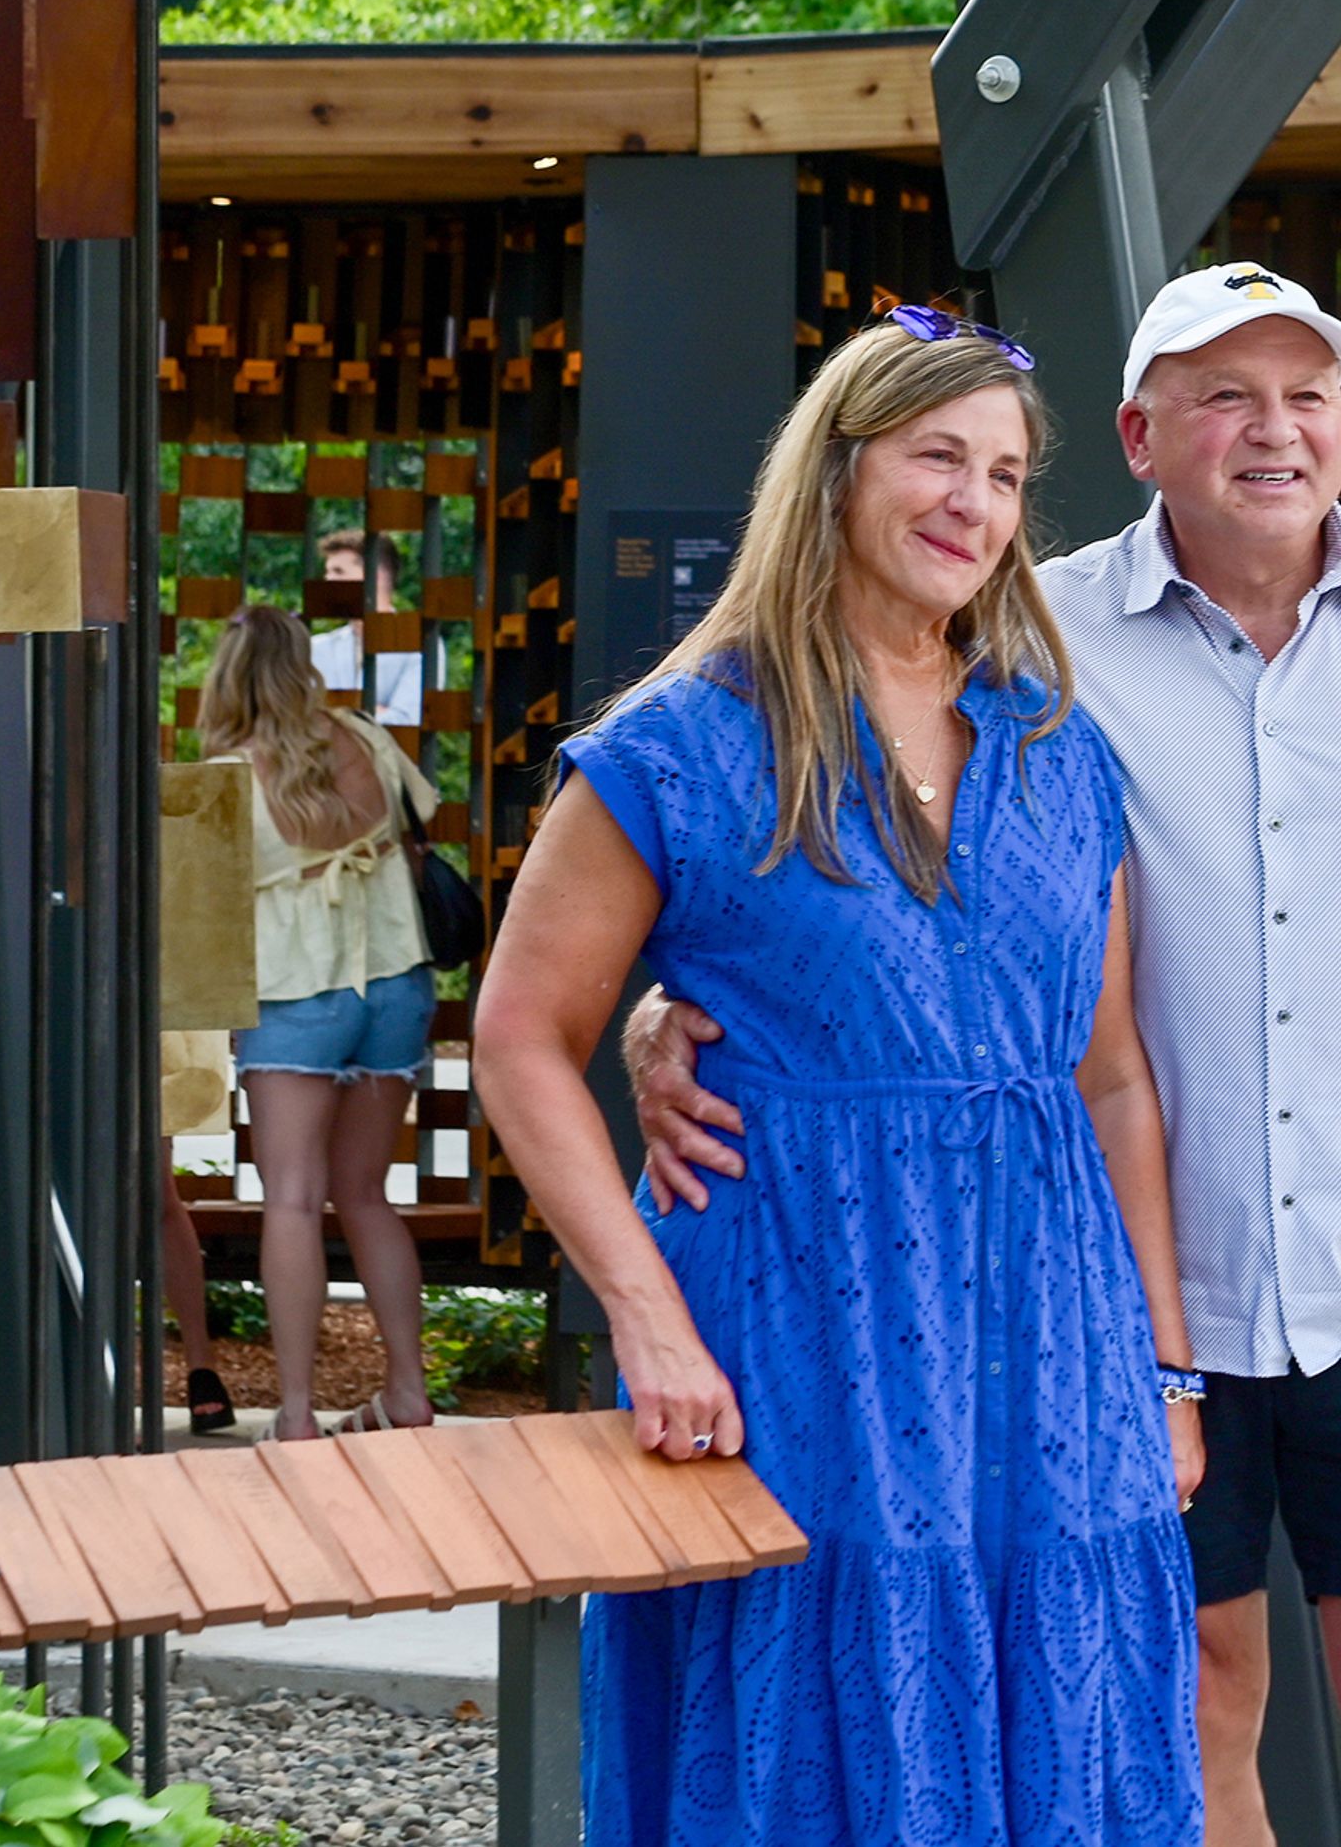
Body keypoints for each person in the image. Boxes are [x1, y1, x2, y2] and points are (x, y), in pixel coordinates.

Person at [633, 262, 1341, 1847]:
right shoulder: (1029, 623)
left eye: (1306, 394)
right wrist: (664, 1010)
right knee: (1187, 1679)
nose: (1275, 430)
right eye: (1225, 394)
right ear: (1140, 432)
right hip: (1113, 1273)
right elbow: (846, 840)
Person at [475, 315, 1205, 1844]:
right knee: (815, 1690)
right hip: (800, 1315)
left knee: (1060, 1704)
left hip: (1050, 1326)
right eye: (938, 455)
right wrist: (649, 1321)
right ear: (835, 472)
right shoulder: (682, 744)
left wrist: (1168, 1366)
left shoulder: (1059, 747)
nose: (975, 502)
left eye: (1004, 473)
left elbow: (1114, 1074)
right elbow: (520, 1032)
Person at [203, 603, 441, 1436]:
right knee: (368, 1196)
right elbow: (422, 827)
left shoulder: (228, 774)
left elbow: (209, 911)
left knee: (294, 1202)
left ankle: (297, 1415)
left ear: (228, 676)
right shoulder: (367, 739)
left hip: (295, 993)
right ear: (302, 666)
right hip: (395, 984)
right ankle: (408, 1390)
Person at [310, 530, 425, 727]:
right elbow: (303, 718)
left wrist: (336, 714)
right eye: (327, 572)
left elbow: (406, 721)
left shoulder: (417, 644)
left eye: (338, 572)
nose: (327, 581)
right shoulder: (317, 648)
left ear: (374, 577)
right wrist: (373, 713)